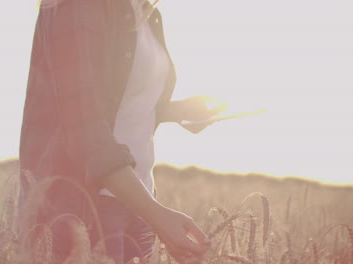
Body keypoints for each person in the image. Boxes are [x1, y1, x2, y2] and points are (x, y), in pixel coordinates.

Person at [18, 0, 225, 263]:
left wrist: (177, 111)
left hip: (138, 199)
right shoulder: (77, 7)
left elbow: (120, 104)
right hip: (84, 211)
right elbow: (85, 130)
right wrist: (157, 215)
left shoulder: (147, 13)